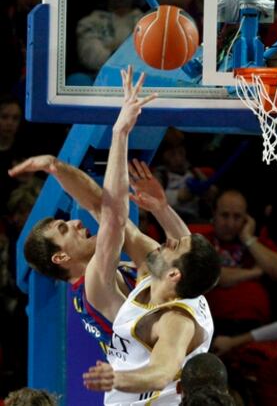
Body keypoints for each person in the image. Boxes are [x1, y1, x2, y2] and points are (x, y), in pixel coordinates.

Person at [7, 71, 184, 347]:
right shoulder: (93, 287)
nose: (77, 223)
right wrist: (119, 131)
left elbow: (101, 206)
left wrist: (56, 166)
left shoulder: (123, 270)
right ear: (61, 258)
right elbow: (113, 217)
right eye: (64, 229)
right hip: (160, 386)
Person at [81, 67, 221, 405]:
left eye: (175, 247)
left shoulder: (176, 321)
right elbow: (115, 218)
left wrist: (117, 378)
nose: (168, 240)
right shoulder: (164, 277)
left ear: (175, 274)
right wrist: (120, 133)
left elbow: (161, 371)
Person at [204, 189, 277, 335]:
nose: (230, 223)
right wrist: (255, 272)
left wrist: (248, 239)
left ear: (247, 219)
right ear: (214, 214)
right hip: (212, 324)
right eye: (225, 215)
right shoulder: (201, 239)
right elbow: (215, 276)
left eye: (237, 217)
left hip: (254, 327)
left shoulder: (257, 245)